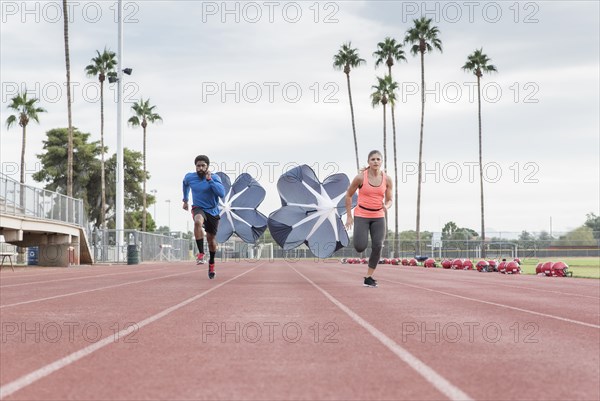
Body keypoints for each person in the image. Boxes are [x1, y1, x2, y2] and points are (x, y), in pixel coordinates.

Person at [345, 150, 393, 288]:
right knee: (360, 247)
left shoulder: (387, 179)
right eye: (373, 159)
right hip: (362, 215)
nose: (376, 161)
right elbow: (348, 195)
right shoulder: (360, 178)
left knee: (378, 245)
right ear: (369, 162)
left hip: (378, 216)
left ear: (381, 162)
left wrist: (387, 206)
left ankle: (368, 277)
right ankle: (361, 246)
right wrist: (349, 216)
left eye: (378, 159)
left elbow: (390, 199)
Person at [182, 155, 225, 279]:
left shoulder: (215, 177)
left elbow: (221, 193)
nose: (200, 168)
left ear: (207, 167)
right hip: (198, 208)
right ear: (195, 166)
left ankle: (211, 263)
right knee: (197, 222)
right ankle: (201, 253)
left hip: (212, 211)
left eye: (203, 166)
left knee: (211, 240)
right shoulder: (190, 177)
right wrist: (185, 200)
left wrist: (210, 180)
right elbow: (185, 184)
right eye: (198, 166)